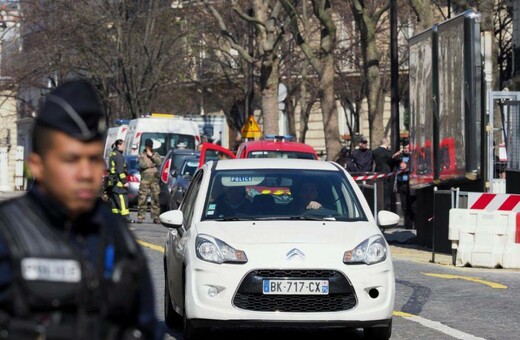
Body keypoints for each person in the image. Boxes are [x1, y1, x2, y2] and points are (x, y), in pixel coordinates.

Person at [0, 79, 161, 339]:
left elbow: (145, 326)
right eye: (71, 159)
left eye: (94, 158)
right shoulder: (7, 235)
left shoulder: (116, 234)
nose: (87, 173)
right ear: (37, 165)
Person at [108, 139, 133, 222]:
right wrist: (124, 182)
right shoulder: (119, 156)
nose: (124, 147)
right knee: (123, 200)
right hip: (119, 184)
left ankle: (115, 217)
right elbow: (120, 171)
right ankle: (125, 217)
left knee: (115, 202)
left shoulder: (113, 154)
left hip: (113, 182)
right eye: (123, 145)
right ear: (118, 145)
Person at [137, 138, 162, 224]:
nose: (148, 147)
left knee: (155, 198)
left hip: (154, 179)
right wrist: (152, 164)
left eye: (150, 146)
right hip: (145, 179)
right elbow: (142, 165)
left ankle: (155, 217)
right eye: (147, 146)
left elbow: (159, 162)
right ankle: (141, 216)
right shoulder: (141, 154)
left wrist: (151, 155)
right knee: (142, 198)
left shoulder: (155, 154)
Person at [392, 141, 414, 229]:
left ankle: (414, 223)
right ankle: (407, 224)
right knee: (404, 205)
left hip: (410, 184)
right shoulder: (400, 158)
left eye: (408, 148)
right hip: (402, 184)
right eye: (405, 148)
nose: (406, 150)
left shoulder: (412, 158)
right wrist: (396, 154)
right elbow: (391, 161)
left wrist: (407, 166)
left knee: (412, 205)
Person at [372, 137, 394, 211]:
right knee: (386, 194)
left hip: (377, 174)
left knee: (378, 193)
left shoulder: (374, 152)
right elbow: (391, 162)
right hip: (386, 175)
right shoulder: (388, 153)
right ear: (387, 143)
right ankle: (385, 209)